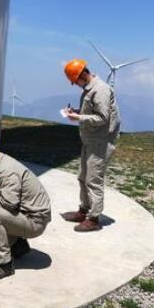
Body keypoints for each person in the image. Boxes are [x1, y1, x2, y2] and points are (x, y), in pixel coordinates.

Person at [0, 133, 51, 280]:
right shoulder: (1, 165)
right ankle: (18, 246)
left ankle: (4, 265)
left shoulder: (7, 170)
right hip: (28, 215)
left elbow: (9, 203)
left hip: (35, 222)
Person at [62, 59, 121, 232]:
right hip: (90, 140)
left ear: (81, 75)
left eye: (75, 81)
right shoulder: (90, 88)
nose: (75, 85)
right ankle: (84, 210)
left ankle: (94, 219)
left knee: (93, 180)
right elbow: (92, 112)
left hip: (100, 142)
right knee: (83, 176)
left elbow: (103, 119)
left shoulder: (100, 90)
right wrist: (77, 112)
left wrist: (79, 118)